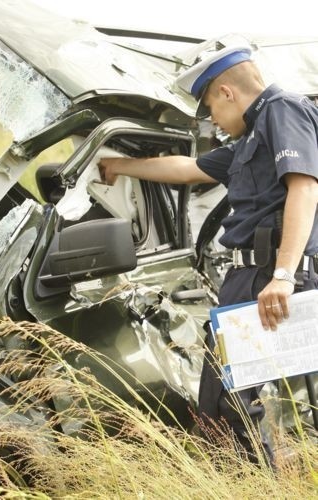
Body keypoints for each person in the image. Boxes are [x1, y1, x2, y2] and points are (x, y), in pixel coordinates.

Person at [98, 44, 318, 463]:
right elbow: (188, 168)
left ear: (226, 91)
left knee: (234, 403)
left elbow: (305, 188)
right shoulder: (248, 137)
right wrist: (120, 166)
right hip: (251, 278)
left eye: (209, 108)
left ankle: (253, 483)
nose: (212, 120)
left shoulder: (282, 110)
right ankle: (253, 483)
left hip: (273, 277)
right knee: (225, 402)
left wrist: (284, 275)